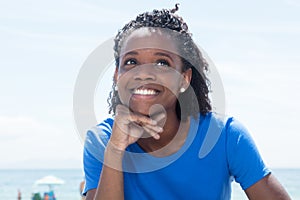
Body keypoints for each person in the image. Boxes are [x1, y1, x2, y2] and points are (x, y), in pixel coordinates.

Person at [82, 4, 291, 200]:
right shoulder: (102, 141)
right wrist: (116, 150)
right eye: (131, 62)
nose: (143, 73)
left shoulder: (226, 136)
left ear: (184, 78)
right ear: (117, 75)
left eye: (162, 62)